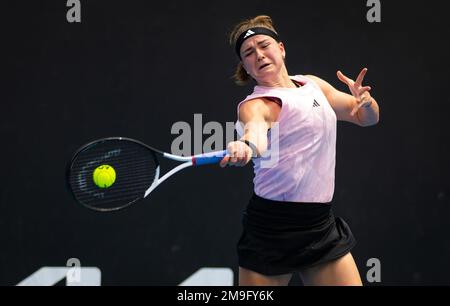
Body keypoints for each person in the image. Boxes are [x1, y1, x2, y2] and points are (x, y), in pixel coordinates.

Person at [219, 15, 379, 286]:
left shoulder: (313, 85)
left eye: (263, 45)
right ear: (245, 66)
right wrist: (245, 146)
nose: (258, 54)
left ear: (280, 48)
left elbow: (368, 118)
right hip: (270, 231)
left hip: (319, 226)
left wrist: (365, 102)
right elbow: (256, 135)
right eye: (248, 53)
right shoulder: (256, 104)